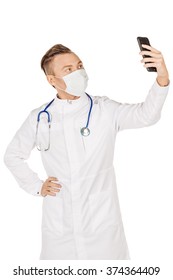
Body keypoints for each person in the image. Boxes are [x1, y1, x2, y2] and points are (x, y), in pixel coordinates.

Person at [4, 43, 169, 260]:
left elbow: (147, 115)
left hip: (102, 227)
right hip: (59, 228)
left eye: (79, 65)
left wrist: (162, 77)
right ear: (52, 80)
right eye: (68, 70)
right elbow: (12, 156)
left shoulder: (105, 110)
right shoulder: (40, 117)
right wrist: (37, 187)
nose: (78, 72)